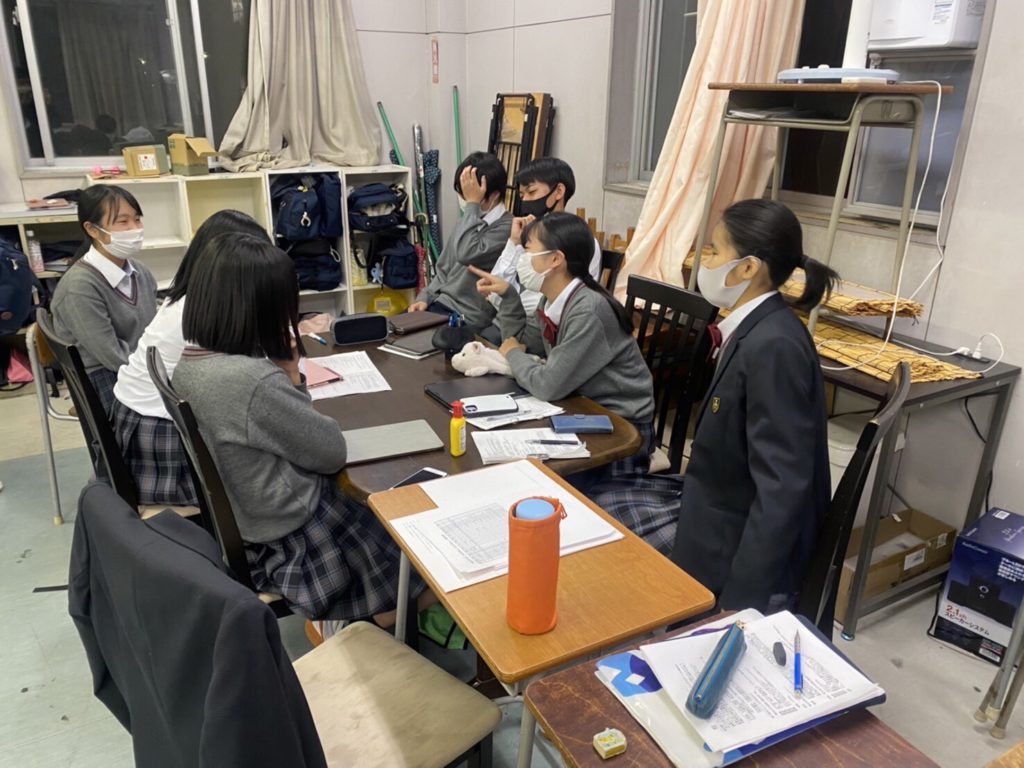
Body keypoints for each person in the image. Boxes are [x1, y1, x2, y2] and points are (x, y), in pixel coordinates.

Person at [173, 234, 419, 622]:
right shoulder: (251, 380)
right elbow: (330, 451)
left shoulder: (189, 363)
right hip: (299, 537)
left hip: (252, 525)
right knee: (414, 539)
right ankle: (387, 614)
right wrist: (291, 374)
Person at [671, 198, 838, 613]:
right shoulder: (754, 328)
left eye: (715, 251)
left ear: (748, 268)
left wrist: (740, 604)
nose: (705, 263)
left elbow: (782, 488)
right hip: (710, 515)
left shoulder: (773, 346)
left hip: (730, 555)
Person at [471, 213, 675, 550]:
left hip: (619, 428)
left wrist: (512, 354)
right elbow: (525, 342)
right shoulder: (553, 299)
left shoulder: (588, 309)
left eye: (528, 249)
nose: (523, 258)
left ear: (555, 259)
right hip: (583, 409)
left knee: (533, 491)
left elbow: (546, 383)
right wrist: (509, 298)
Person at [110, 210, 270, 507]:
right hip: (164, 442)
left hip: (137, 424)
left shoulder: (186, 296)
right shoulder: (201, 314)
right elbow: (244, 386)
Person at [50, 185, 157, 414]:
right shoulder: (79, 287)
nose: (135, 229)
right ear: (92, 229)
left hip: (137, 367)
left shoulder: (140, 271)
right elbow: (112, 357)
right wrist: (160, 371)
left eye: (137, 219)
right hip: (105, 380)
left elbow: (154, 328)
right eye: (123, 222)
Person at [482, 157, 602, 343]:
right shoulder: (530, 234)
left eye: (531, 192)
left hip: (539, 333)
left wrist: (511, 301)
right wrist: (514, 242)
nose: (525, 201)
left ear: (559, 191)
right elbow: (494, 295)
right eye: (522, 195)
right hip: (507, 323)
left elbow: (569, 305)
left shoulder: (579, 241)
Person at [407, 151, 512, 329]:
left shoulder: (507, 229)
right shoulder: (467, 220)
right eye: (463, 194)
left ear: (494, 195)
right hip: (440, 305)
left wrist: (472, 205)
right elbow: (443, 269)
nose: (465, 200)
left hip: (467, 316)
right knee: (390, 331)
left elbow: (467, 253)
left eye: (470, 195)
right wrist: (425, 297)